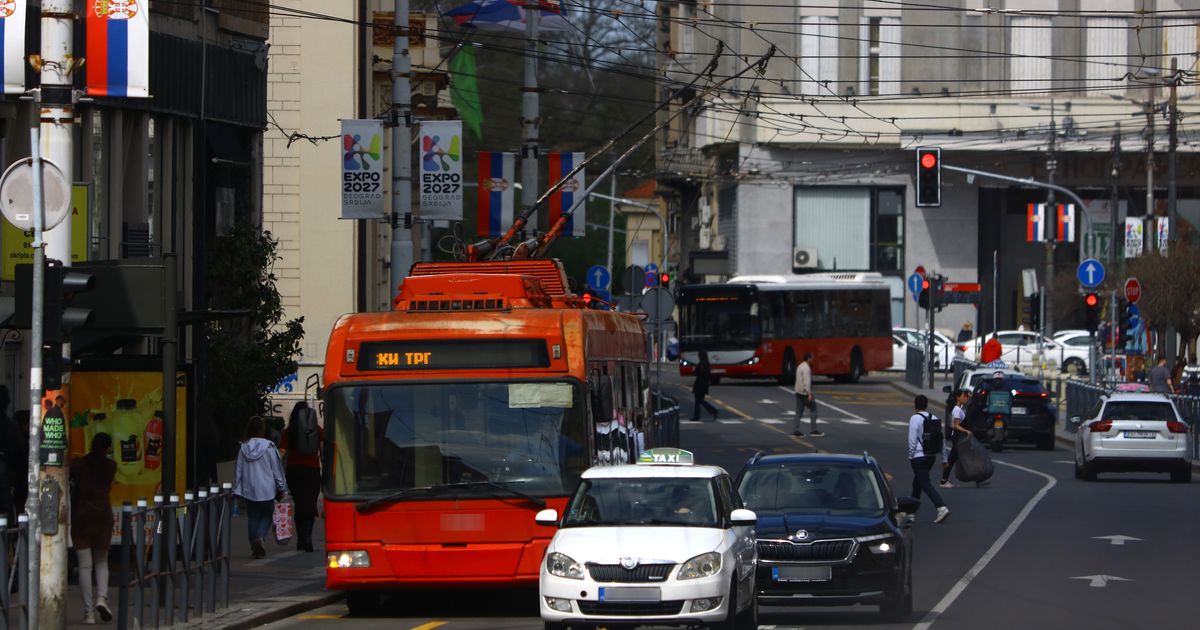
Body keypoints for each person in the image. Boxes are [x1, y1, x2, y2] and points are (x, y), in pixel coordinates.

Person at [70, 433, 117, 624]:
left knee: (84, 565)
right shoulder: (111, 466)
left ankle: (88, 612)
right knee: (101, 561)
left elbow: (70, 478)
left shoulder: (79, 464)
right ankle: (102, 598)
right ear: (107, 449)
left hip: (82, 515)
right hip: (102, 516)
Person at [233, 416, 289, 559]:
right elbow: (276, 469)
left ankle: (254, 543)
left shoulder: (243, 448)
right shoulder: (269, 447)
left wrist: (236, 489)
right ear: (262, 430)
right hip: (267, 489)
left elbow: (238, 470)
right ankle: (260, 538)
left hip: (249, 489)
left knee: (253, 516)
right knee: (267, 515)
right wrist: (281, 487)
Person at [280, 402, 324, 553]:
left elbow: (282, 453)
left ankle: (301, 539)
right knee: (310, 503)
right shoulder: (316, 430)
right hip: (312, 470)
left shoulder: (289, 432)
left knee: (299, 503)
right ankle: (308, 537)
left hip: (294, 471)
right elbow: (324, 450)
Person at [907, 396, 950, 523]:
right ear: (926, 405)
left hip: (918, 457)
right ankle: (910, 514)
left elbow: (912, 439)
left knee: (924, 484)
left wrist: (911, 456)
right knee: (917, 484)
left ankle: (941, 507)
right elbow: (941, 441)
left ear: (915, 405)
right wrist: (944, 459)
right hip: (931, 457)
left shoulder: (915, 418)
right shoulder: (934, 418)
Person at [941, 389, 973, 488]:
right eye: (963, 396)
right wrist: (966, 431)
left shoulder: (959, 408)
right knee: (952, 460)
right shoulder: (957, 410)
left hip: (958, 438)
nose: (965, 398)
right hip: (957, 438)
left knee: (952, 460)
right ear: (958, 398)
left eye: (966, 396)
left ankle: (944, 480)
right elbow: (955, 425)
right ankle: (943, 481)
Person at [793, 352, 822, 437]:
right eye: (812, 358)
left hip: (798, 392)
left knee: (798, 412)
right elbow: (807, 381)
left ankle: (796, 430)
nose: (813, 360)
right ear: (808, 358)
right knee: (814, 409)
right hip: (804, 393)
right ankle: (813, 430)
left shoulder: (800, 366)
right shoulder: (806, 368)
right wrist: (809, 393)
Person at [691, 352, 719, 422]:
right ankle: (712, 411)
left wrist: (696, 370)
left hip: (700, 385)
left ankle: (698, 416)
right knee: (700, 401)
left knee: (698, 401)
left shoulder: (703, 364)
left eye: (699, 356)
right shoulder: (704, 363)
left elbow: (700, 373)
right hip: (702, 385)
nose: (699, 357)